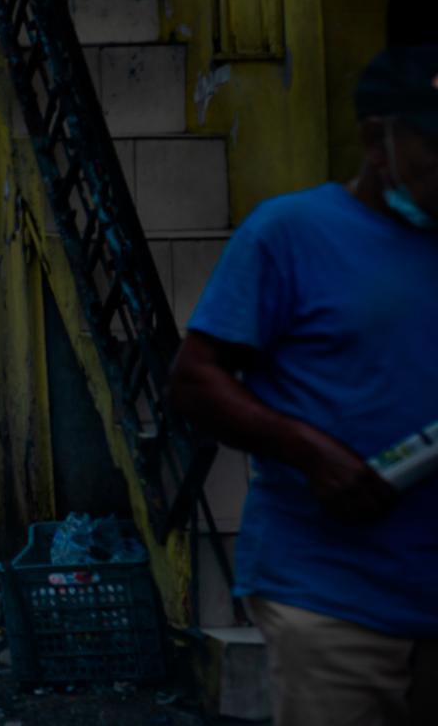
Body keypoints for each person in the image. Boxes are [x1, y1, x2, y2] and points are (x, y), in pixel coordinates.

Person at [170, 46, 438, 725]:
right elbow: (195, 380)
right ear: (377, 140)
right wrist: (311, 452)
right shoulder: (291, 233)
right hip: (332, 597)